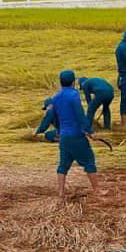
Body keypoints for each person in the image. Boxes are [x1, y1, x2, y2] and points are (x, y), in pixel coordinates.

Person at [48, 69, 102, 201]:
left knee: (63, 164)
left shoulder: (55, 98)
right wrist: (90, 131)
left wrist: (59, 132)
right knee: (89, 161)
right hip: (76, 136)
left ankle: (61, 192)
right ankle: (97, 190)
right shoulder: (74, 95)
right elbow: (80, 115)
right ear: (73, 82)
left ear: (60, 82)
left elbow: (54, 118)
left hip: (64, 137)